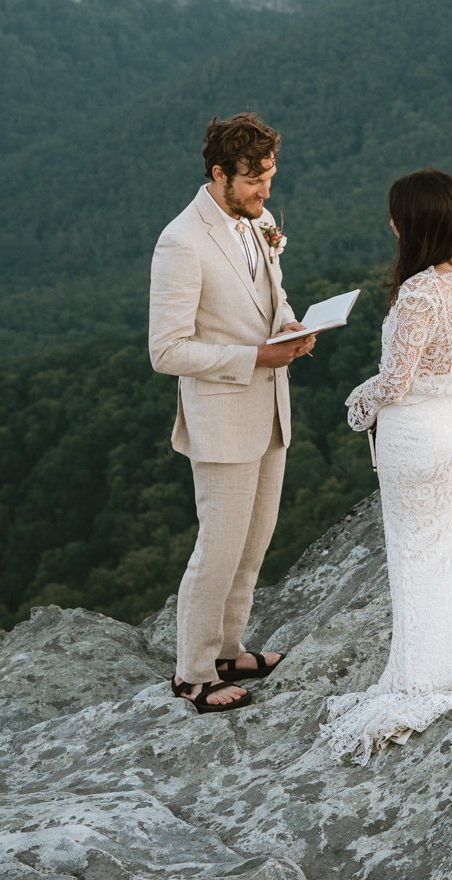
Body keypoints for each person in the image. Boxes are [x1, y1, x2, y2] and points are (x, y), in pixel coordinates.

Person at [321, 168, 452, 759]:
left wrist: (359, 399)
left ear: (413, 223)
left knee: (415, 553)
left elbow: (397, 380)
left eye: (395, 215)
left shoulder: (420, 290)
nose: (389, 223)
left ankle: (427, 677)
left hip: (417, 435)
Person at [148, 112, 317, 714]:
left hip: (271, 408)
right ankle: (192, 674)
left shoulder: (261, 222)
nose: (265, 192)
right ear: (218, 174)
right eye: (253, 181)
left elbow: (270, 295)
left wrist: (292, 325)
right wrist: (255, 355)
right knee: (217, 548)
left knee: (253, 545)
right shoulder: (181, 241)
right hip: (221, 417)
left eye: (269, 178)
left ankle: (228, 649)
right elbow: (165, 350)